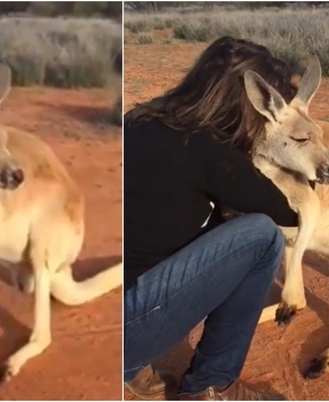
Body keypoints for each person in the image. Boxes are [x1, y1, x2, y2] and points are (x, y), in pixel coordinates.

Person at [123, 37, 302, 400]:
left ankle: (129, 370)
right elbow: (284, 211)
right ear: (247, 105)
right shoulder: (208, 150)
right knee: (261, 237)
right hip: (125, 325)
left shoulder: (140, 118)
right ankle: (212, 383)